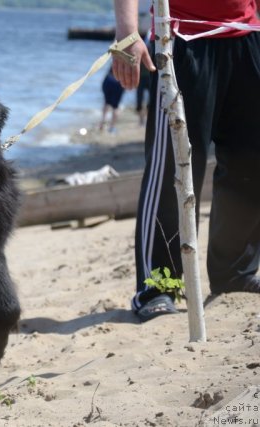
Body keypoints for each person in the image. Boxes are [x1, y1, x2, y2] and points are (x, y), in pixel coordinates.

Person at [112, 0, 260, 322]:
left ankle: (234, 270)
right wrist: (126, 33)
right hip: (182, 34)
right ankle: (158, 285)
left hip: (247, 32)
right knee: (174, 167)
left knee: (251, 161)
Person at [99, 67, 125, 133]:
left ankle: (102, 124)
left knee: (106, 103)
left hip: (109, 80)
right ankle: (112, 127)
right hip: (118, 82)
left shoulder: (117, 57)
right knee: (115, 106)